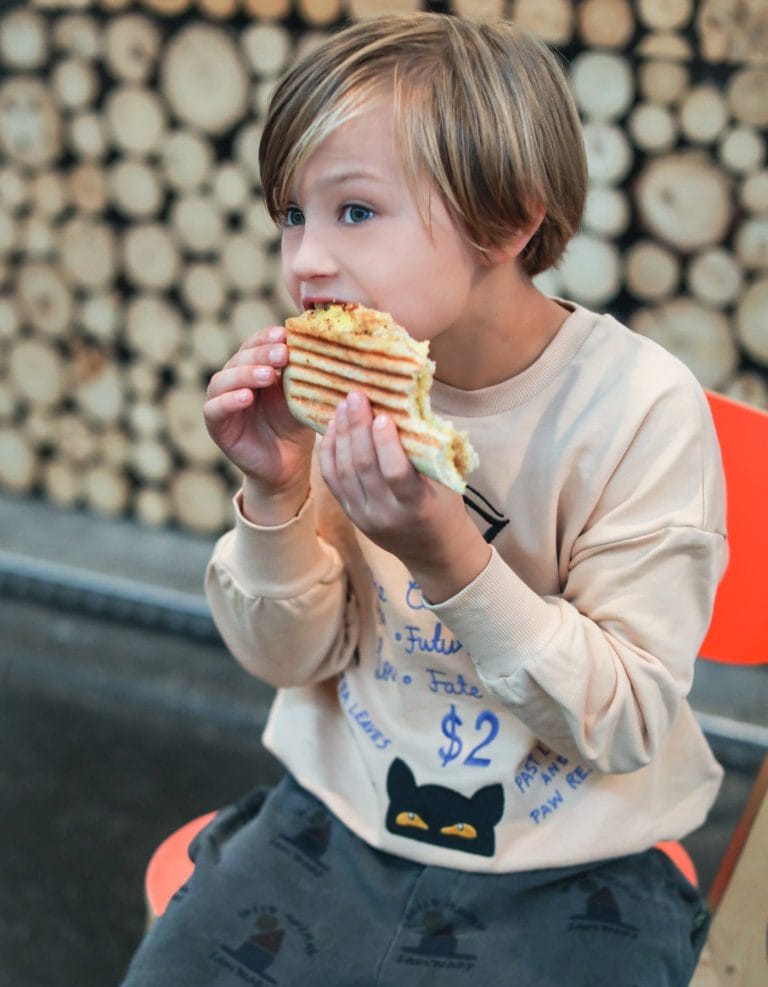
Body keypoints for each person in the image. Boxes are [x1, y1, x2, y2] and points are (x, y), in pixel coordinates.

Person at [121, 12, 727, 986]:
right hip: (340, 812)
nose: (307, 259)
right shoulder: (349, 386)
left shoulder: (637, 410)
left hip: (575, 854)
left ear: (509, 218)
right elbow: (289, 659)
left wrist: (451, 558)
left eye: (354, 211)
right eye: (292, 215)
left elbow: (623, 725)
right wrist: (273, 496)